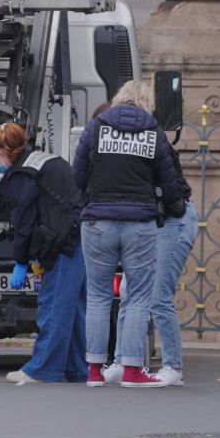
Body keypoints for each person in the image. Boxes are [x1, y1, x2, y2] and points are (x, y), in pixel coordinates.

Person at [73, 80, 185, 388]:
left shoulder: (95, 128)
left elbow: (77, 176)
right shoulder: (154, 133)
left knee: (97, 296)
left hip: (98, 221)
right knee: (137, 296)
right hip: (140, 224)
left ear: (118, 99)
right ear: (147, 102)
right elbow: (170, 182)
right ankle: (133, 371)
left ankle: (95, 371)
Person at [0, 122, 88, 384]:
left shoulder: (22, 174)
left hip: (66, 243)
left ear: (4, 150)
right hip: (82, 237)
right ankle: (76, 369)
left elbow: (24, 222)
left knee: (54, 306)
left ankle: (43, 369)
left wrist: (21, 261)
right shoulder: (43, 159)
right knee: (73, 310)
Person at [110, 139, 199, 386]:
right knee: (128, 293)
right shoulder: (126, 147)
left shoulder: (151, 143)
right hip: (148, 222)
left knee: (158, 296)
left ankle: (173, 366)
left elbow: (172, 192)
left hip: (172, 221)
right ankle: (123, 360)